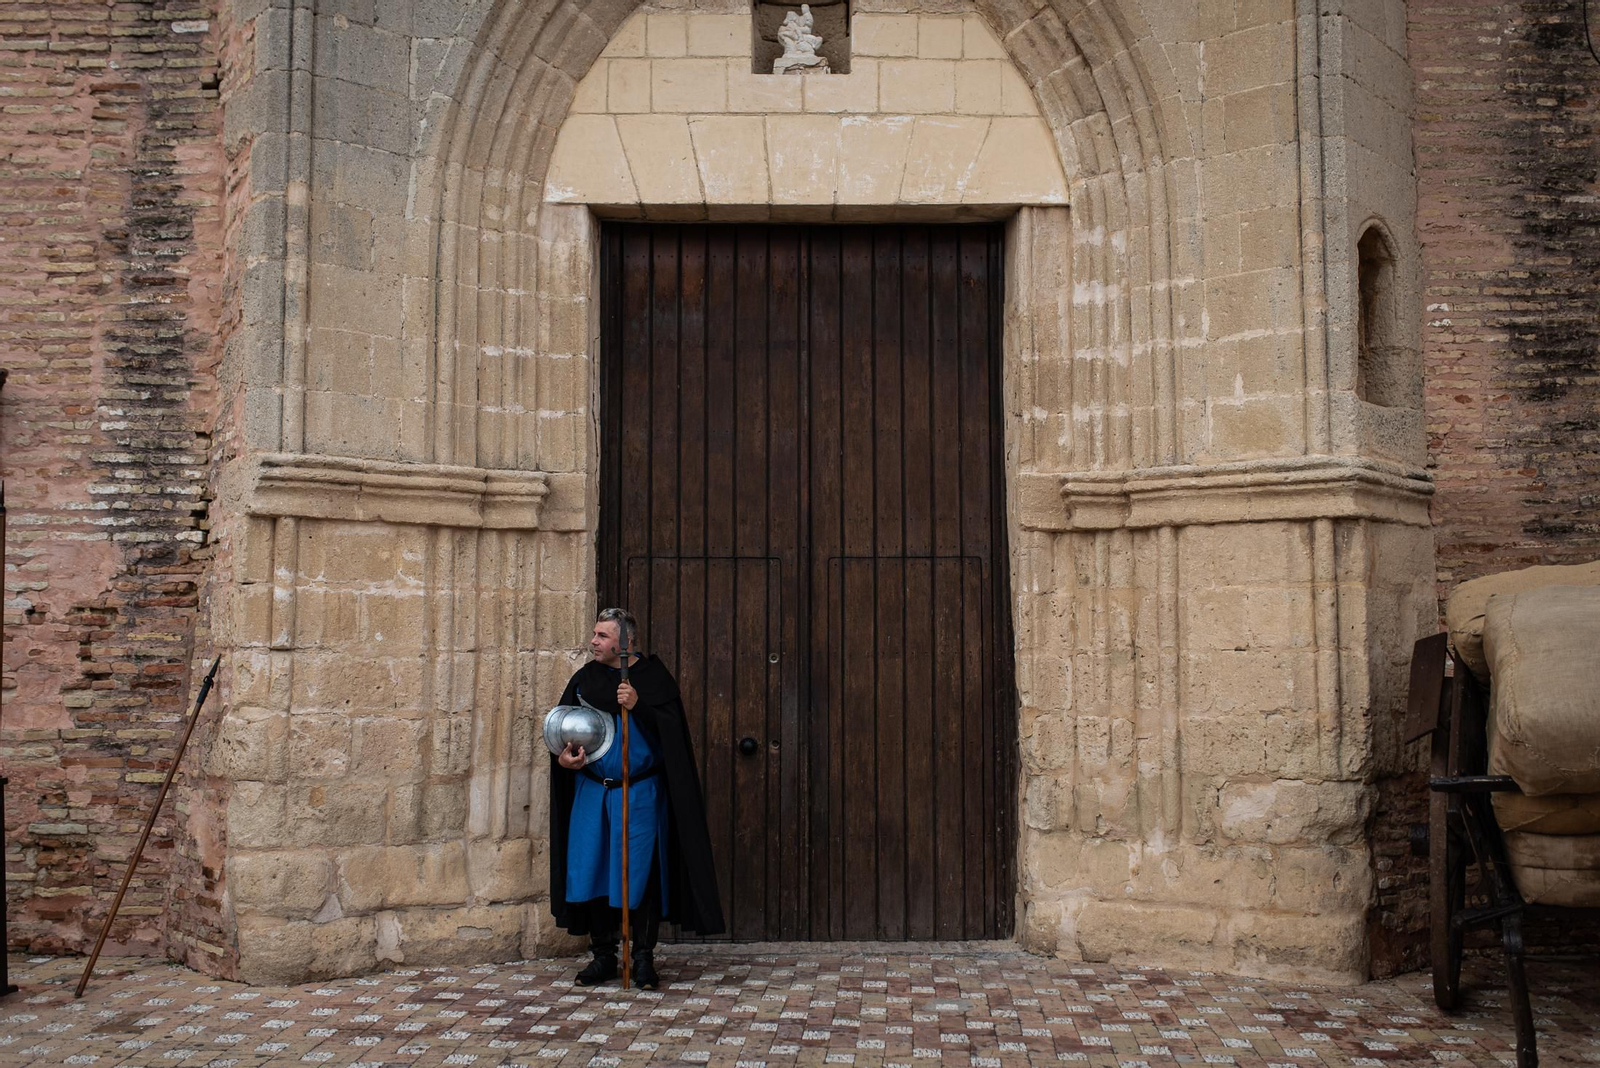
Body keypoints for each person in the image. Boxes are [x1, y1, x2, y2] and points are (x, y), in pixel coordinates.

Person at [547, 608, 724, 988]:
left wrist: (639, 705)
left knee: (639, 874)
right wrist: (563, 758)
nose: (594, 641)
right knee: (592, 871)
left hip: (639, 792)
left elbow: (673, 737)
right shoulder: (585, 679)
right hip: (593, 791)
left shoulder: (652, 679)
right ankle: (604, 956)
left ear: (625, 643)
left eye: (602, 636)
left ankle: (643, 959)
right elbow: (561, 727)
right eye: (594, 634)